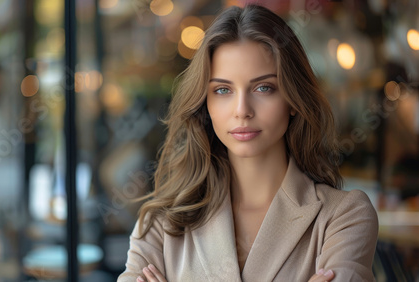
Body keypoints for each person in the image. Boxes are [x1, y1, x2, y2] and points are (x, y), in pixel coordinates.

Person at [118, 4, 378, 282]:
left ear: (292, 99)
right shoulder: (160, 223)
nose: (242, 110)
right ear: (205, 103)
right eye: (222, 90)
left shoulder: (343, 217)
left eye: (263, 87)